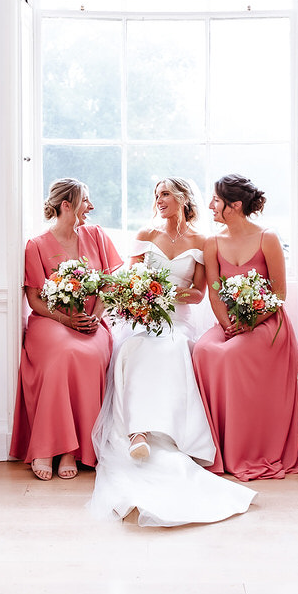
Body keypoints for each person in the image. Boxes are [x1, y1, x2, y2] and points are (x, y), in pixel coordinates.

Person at [89, 178, 256, 525]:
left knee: (173, 347)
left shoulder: (201, 241)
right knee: (134, 347)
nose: (159, 199)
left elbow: (198, 293)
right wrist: (144, 296)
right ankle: (137, 433)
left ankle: (173, 436)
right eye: (156, 195)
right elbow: (128, 283)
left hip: (177, 320)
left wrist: (162, 292)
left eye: (165, 193)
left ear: (182, 198)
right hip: (143, 317)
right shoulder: (146, 234)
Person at [192, 174, 298, 481]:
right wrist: (228, 324)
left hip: (267, 322)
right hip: (230, 321)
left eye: (216, 200)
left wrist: (250, 321)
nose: (210, 206)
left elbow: (278, 294)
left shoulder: (268, 238)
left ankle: (244, 448)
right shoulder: (212, 242)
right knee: (203, 350)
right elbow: (215, 292)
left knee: (231, 355)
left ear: (235, 205)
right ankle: (215, 446)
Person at [11, 179, 123, 481]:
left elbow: (109, 285)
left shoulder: (96, 235)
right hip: (51, 321)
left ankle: (71, 451)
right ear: (67, 205)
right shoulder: (36, 245)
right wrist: (66, 320)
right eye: (86, 200)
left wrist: (95, 317)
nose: (91, 206)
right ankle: (48, 447)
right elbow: (34, 299)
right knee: (63, 353)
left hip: (91, 323)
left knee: (87, 356)